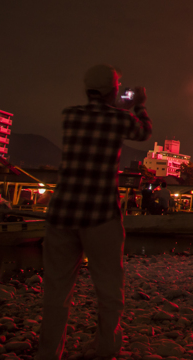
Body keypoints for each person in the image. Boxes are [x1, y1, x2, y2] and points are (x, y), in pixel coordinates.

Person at [37, 64, 151, 360]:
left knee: (57, 290)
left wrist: (120, 102)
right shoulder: (119, 119)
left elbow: (105, 109)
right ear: (114, 90)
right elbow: (143, 132)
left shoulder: (70, 116)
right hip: (101, 215)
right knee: (109, 286)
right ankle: (106, 345)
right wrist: (138, 104)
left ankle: (50, 353)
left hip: (62, 213)